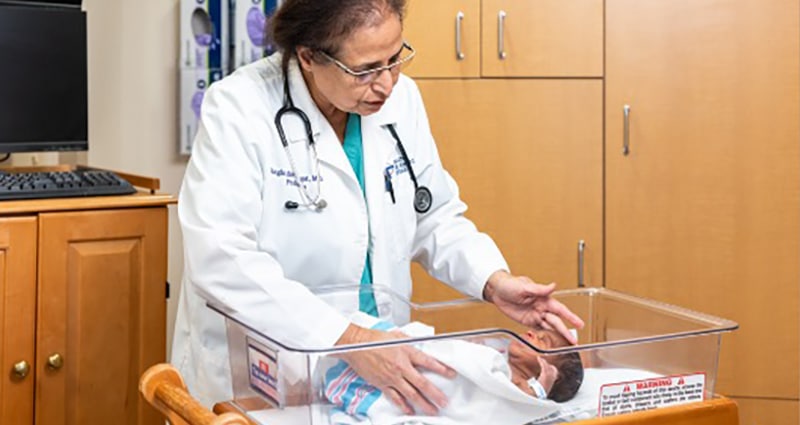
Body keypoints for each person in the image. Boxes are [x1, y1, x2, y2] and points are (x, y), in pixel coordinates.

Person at [171, 0, 585, 412]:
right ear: (308, 57)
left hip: (383, 364)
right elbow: (222, 259)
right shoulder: (239, 108)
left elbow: (433, 215)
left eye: (395, 59)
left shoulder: (401, 100)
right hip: (268, 368)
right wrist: (349, 339)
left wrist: (493, 281)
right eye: (366, 69)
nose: (387, 83)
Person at [322, 314, 584, 424]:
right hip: (388, 354)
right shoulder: (495, 359)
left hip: (408, 382)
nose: (531, 333)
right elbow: (463, 358)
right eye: (538, 331)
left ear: (547, 370)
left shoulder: (514, 385)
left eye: (542, 340)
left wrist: (540, 388)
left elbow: (515, 403)